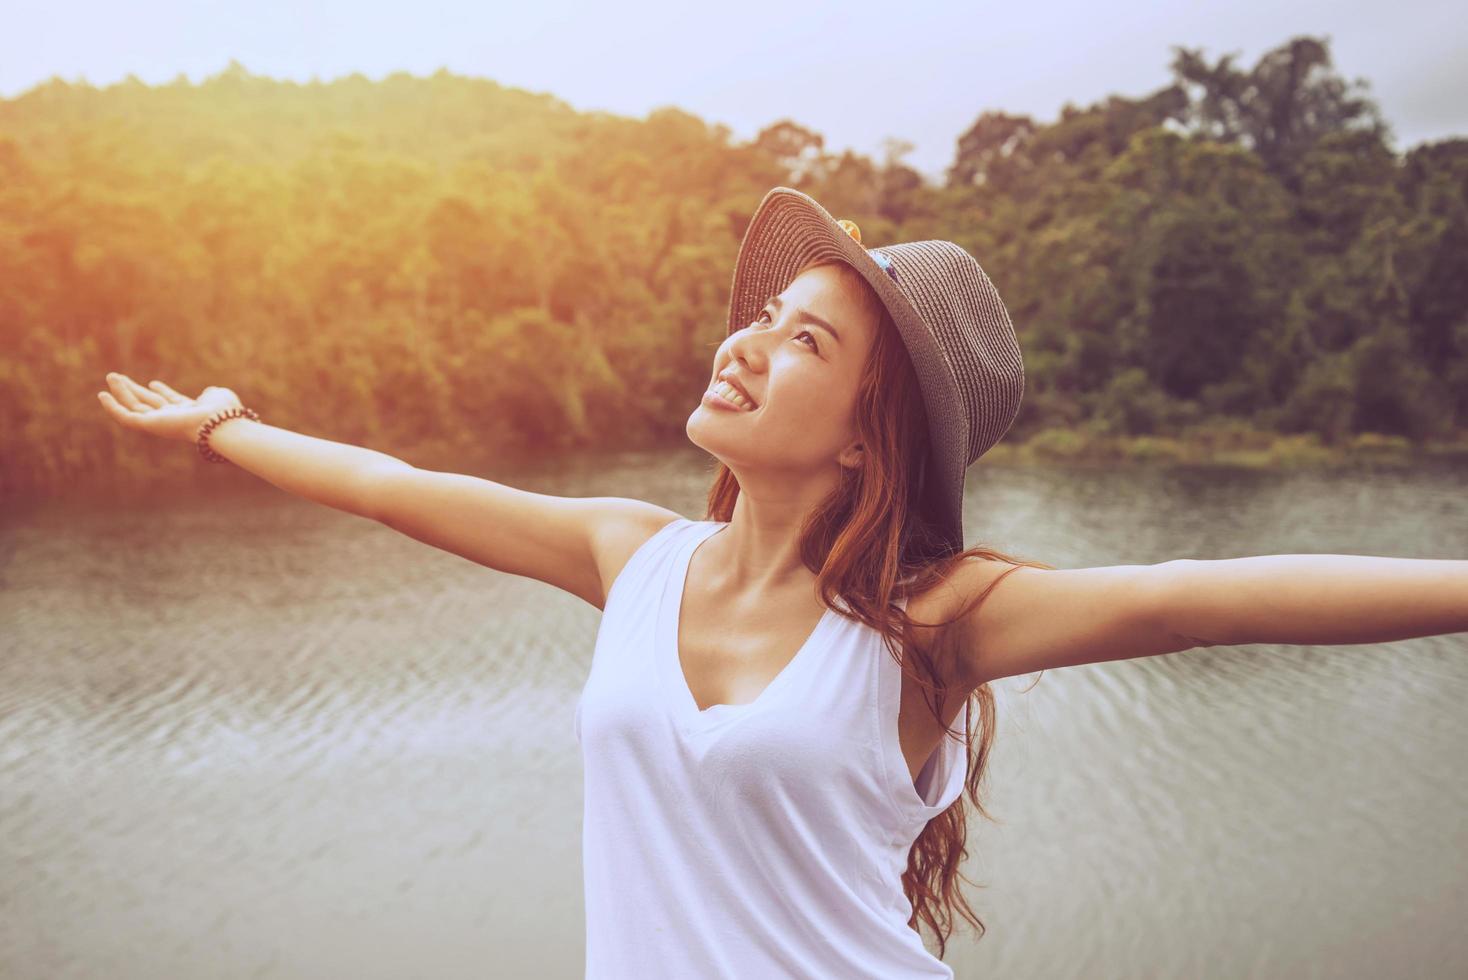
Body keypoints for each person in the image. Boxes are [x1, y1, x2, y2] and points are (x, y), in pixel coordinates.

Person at [96, 186, 1468, 979]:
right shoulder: (631, 558)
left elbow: (1196, 597)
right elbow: (394, 488)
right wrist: (222, 423)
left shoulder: (930, 621)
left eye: (802, 340)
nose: (746, 345)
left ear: (873, 432)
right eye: (761, 315)